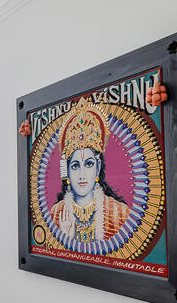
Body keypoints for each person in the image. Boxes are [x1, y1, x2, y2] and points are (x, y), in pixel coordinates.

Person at [49, 98, 130, 245]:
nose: (82, 175)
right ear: (66, 171)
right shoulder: (56, 214)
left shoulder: (120, 214)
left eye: (88, 164)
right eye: (74, 166)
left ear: (98, 167)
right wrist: (65, 237)